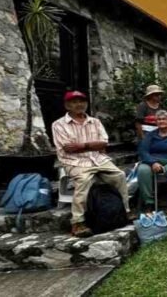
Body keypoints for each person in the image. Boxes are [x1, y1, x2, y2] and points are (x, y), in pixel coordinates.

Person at [52, 90, 130, 238]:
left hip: (98, 159)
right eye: (74, 102)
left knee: (119, 175)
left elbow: (104, 142)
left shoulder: (95, 122)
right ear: (67, 105)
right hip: (74, 161)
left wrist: (82, 146)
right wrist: (92, 145)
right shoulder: (59, 125)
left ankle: (124, 211)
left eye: (82, 101)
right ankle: (77, 222)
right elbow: (67, 147)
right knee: (84, 180)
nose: (79, 104)